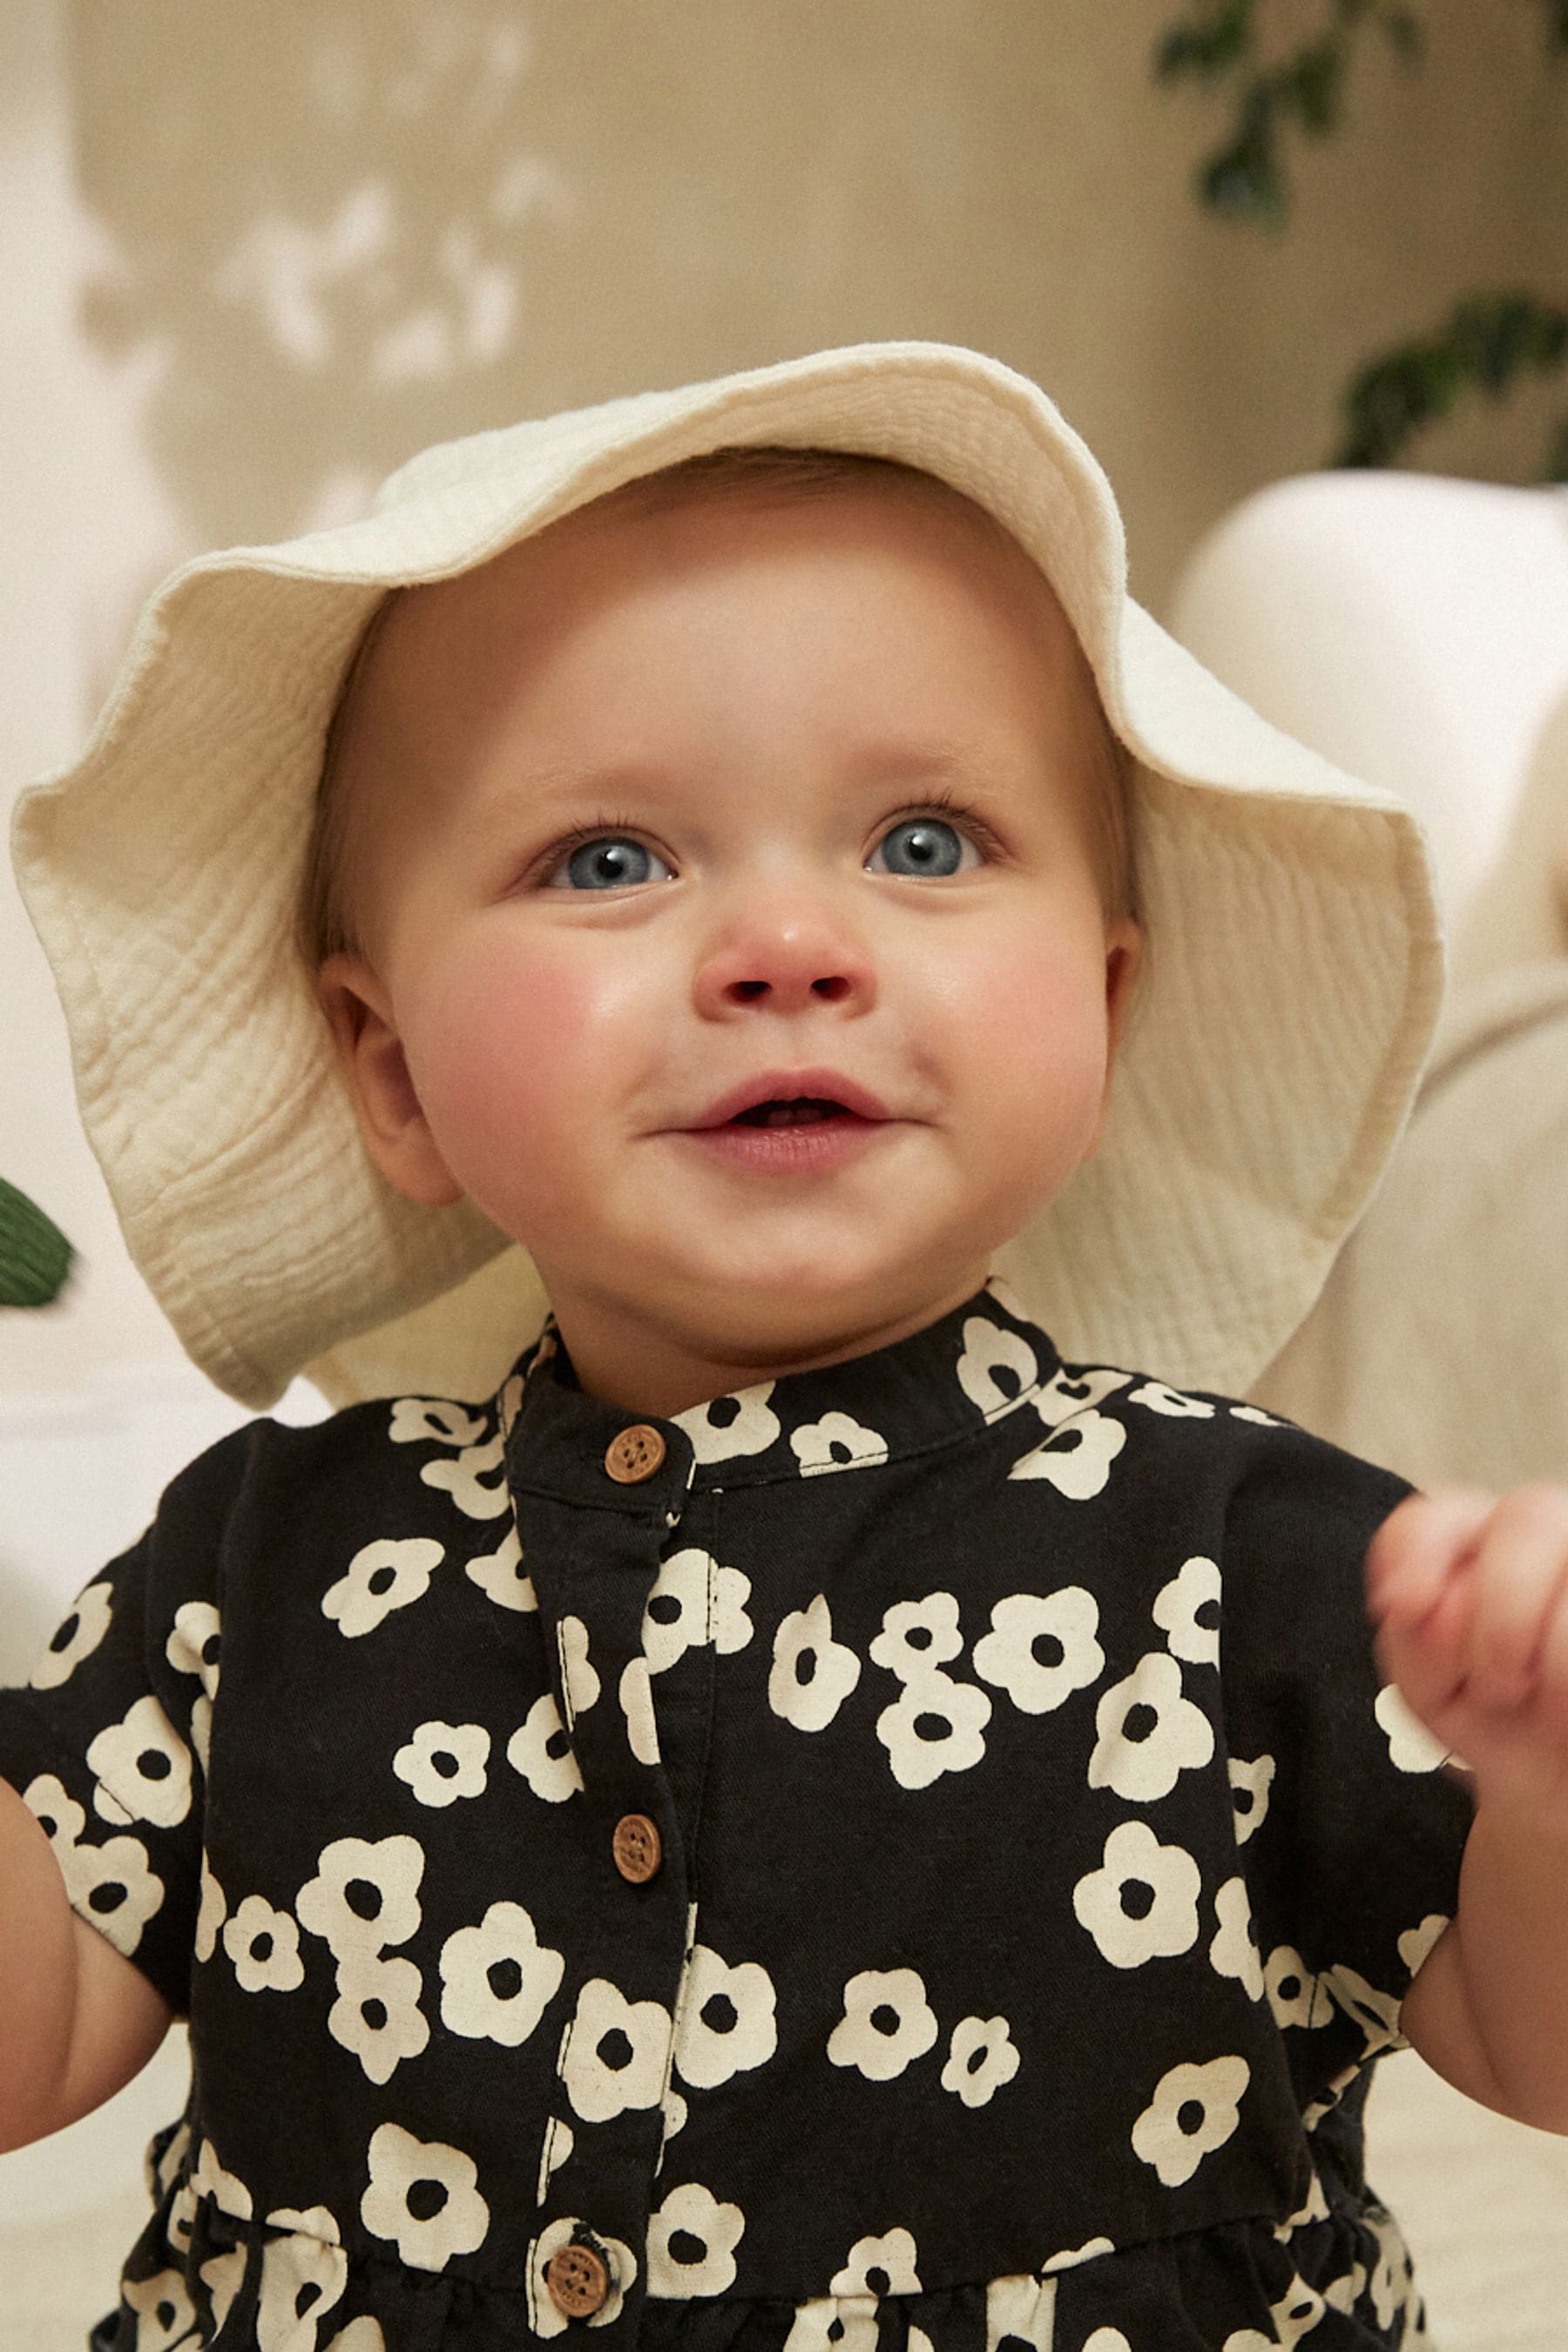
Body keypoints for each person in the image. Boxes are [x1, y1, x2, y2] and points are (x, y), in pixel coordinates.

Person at [1, 343, 1565, 2352]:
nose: (788, 946)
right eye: (610, 859)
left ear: (1098, 1012)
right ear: (389, 1071)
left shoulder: (1240, 1546)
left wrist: (1547, 1789)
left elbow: (1531, 2036)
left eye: (923, 844)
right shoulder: (266, 1565)